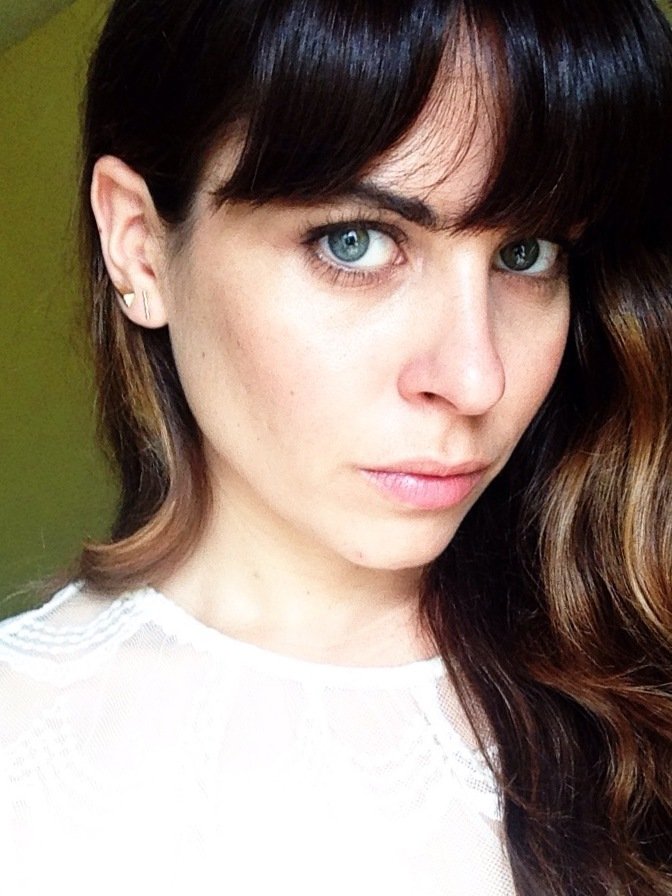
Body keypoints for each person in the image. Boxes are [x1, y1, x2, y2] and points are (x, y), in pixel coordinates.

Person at [1, 0, 671, 893]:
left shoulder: (638, 699)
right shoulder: (23, 744)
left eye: (527, 253)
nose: (476, 378)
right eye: (354, 243)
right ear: (140, 247)